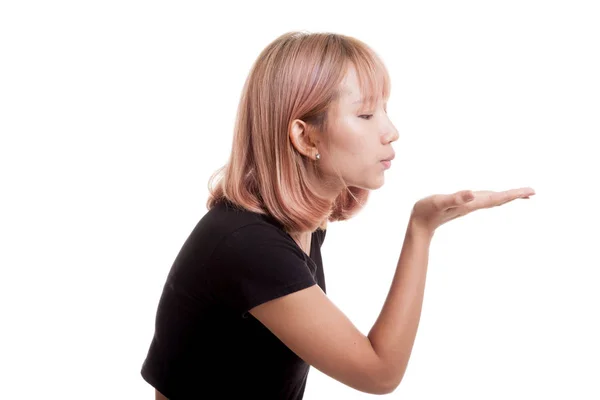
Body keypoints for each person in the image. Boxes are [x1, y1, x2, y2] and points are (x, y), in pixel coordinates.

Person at [140, 31, 535, 399]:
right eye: (365, 115)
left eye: (384, 110)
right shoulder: (248, 245)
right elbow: (379, 374)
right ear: (304, 136)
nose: (391, 131)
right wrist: (421, 228)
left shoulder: (296, 226)